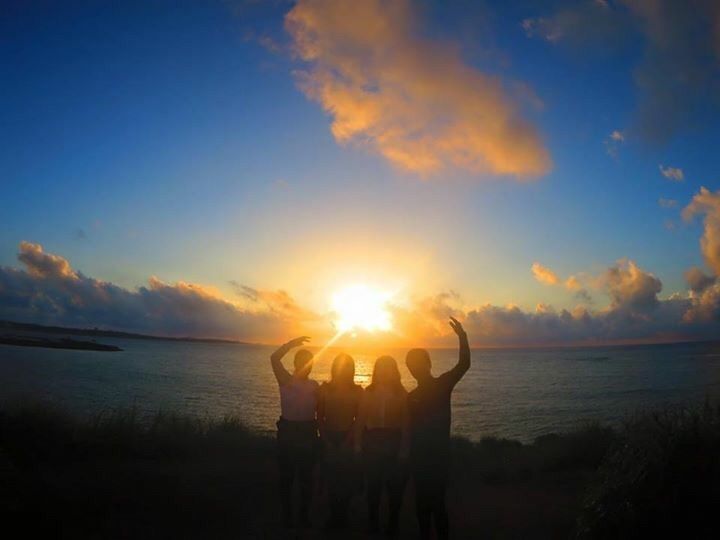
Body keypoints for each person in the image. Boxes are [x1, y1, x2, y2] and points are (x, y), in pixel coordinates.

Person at [406, 317, 471, 540]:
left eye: (418, 363)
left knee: (437, 503)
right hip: (418, 456)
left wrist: (462, 337)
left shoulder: (442, 384)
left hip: (439, 456)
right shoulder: (410, 397)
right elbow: (408, 427)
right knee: (421, 503)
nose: (415, 368)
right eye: (411, 365)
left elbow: (463, 365)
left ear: (428, 364)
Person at [355, 355, 409, 536]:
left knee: (395, 489)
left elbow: (406, 424)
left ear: (394, 371)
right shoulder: (368, 392)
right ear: (376, 371)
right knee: (373, 488)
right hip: (373, 442)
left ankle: (393, 525)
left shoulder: (402, 394)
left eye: (388, 368)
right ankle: (373, 524)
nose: (384, 372)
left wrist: (404, 450)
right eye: (381, 368)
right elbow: (360, 420)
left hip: (393, 441)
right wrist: (357, 445)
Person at [270, 336, 318, 528]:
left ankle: (303, 516)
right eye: (303, 362)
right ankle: (287, 516)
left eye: (310, 362)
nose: (307, 365)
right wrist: (291, 344)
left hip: (308, 433)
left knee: (307, 478)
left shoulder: (315, 386)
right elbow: (274, 358)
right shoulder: (285, 380)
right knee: (287, 478)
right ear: (296, 364)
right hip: (289, 433)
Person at [317, 353, 363, 530]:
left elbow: (358, 419)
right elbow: (320, 417)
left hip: (347, 437)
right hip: (329, 436)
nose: (343, 370)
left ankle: (343, 516)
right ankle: (334, 515)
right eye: (340, 366)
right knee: (331, 478)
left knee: (345, 478)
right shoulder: (324, 389)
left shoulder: (358, 391)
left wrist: (348, 440)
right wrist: (325, 439)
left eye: (347, 367)